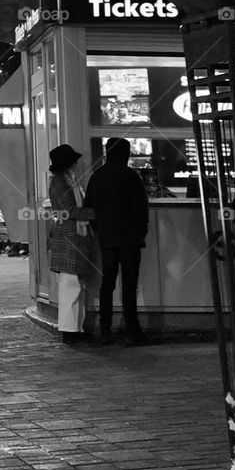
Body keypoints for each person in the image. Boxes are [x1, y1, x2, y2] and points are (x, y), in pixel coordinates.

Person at [83, 137, 150, 345]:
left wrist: (100, 230)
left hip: (107, 238)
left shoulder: (97, 176)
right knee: (129, 285)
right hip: (129, 238)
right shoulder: (131, 176)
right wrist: (141, 231)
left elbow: (89, 209)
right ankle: (133, 330)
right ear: (126, 153)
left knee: (107, 284)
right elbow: (140, 209)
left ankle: (105, 330)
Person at [47, 144, 96, 345]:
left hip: (70, 237)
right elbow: (69, 210)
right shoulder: (63, 182)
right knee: (71, 286)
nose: (77, 163)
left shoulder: (65, 181)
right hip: (70, 238)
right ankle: (70, 330)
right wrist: (95, 212)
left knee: (75, 286)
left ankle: (75, 328)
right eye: (74, 160)